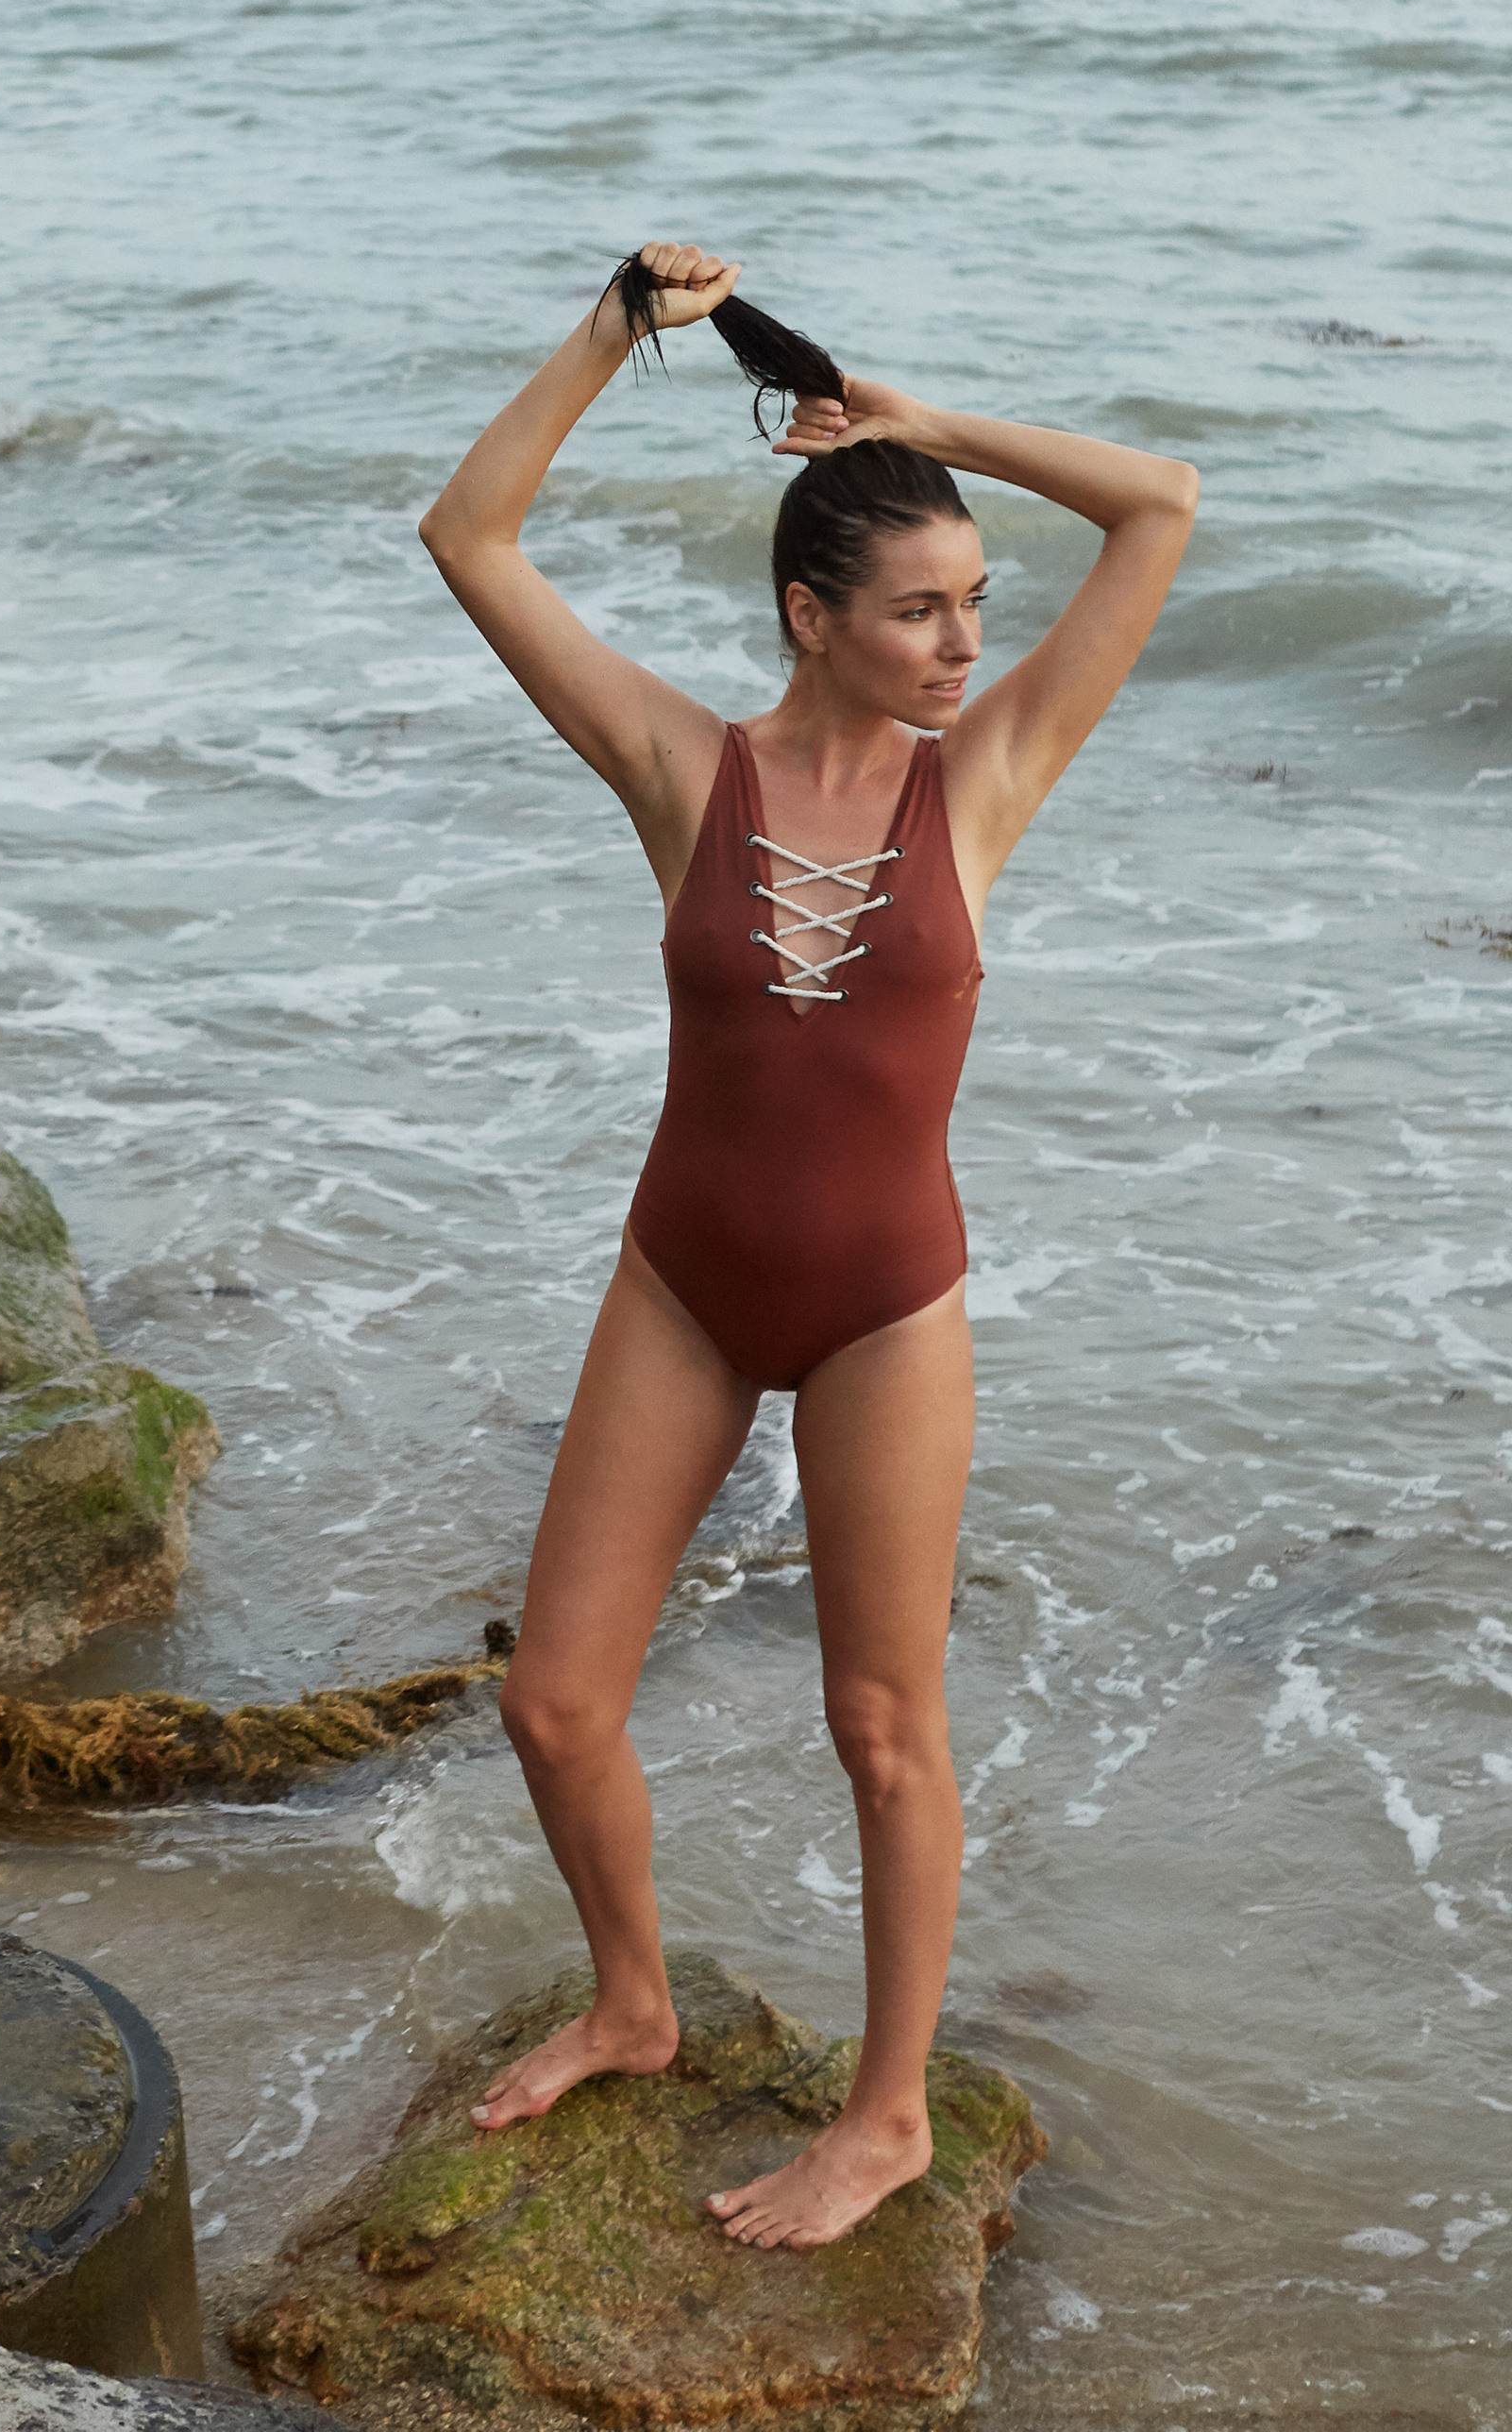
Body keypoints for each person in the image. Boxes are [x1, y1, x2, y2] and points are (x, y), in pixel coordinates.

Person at [417, 241, 1197, 2251]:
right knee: (554, 1703)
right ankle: (633, 2001)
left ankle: (884, 2118)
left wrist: (921, 425)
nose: (958, 642)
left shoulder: (989, 776)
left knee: (879, 1724)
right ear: (807, 618)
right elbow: (470, 534)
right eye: (918, 611)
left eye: (969, 608)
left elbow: (1155, 503)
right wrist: (610, 329)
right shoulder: (688, 773)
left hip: (882, 1308)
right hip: (681, 1281)